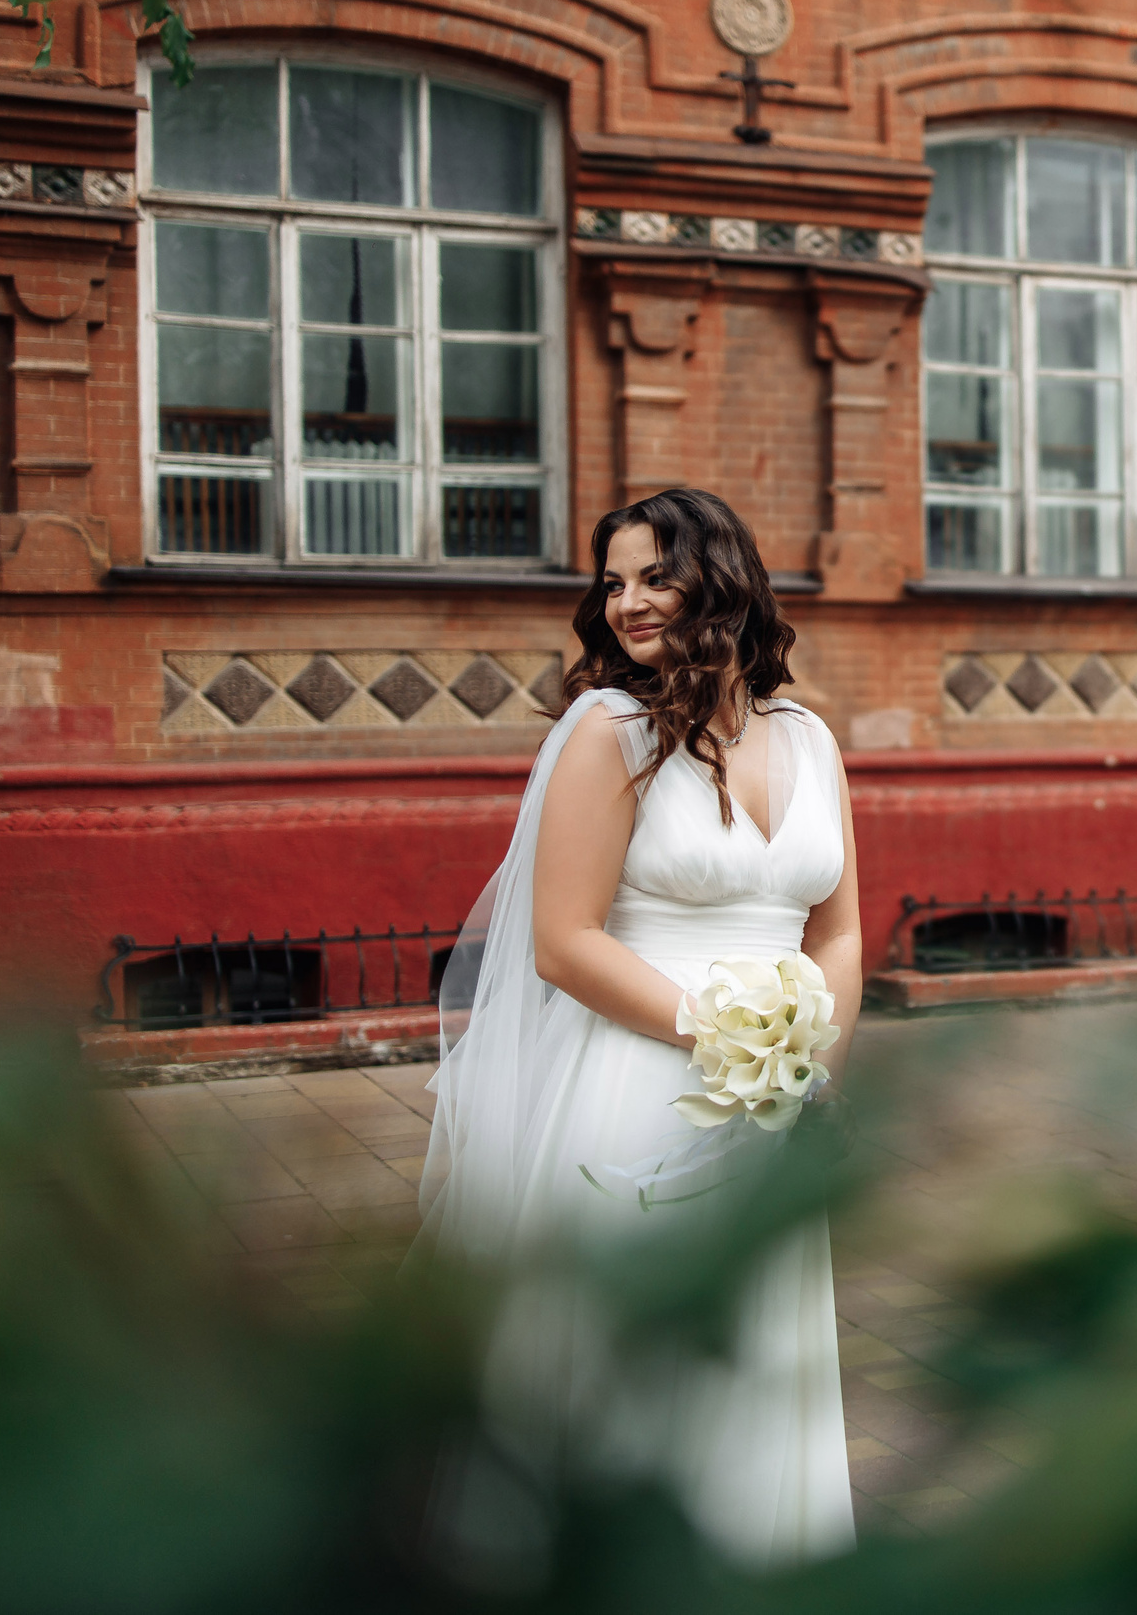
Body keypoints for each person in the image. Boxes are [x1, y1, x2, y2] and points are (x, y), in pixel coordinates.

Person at [415, 486, 861, 1567]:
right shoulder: (608, 731)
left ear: (723, 581)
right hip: (634, 1086)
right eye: (612, 582)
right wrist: (726, 1034)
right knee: (629, 1364)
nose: (626, 603)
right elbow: (562, 943)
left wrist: (805, 1059)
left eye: (654, 575)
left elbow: (838, 930)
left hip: (771, 1107)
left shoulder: (810, 740)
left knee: (756, 1356)